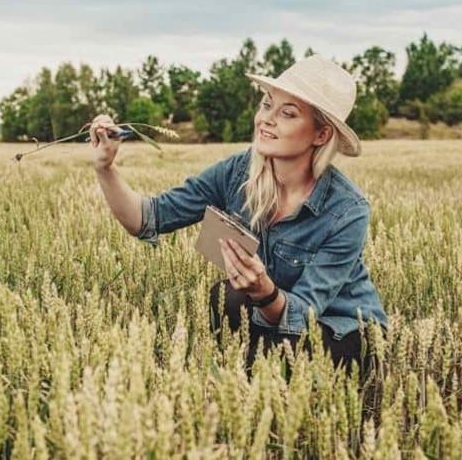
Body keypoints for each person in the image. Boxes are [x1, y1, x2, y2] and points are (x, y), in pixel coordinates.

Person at [89, 53, 389, 386]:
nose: (267, 119)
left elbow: (304, 314)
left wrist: (265, 293)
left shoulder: (347, 209)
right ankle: (253, 373)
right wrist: (105, 167)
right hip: (272, 319)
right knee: (227, 297)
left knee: (275, 354)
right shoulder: (237, 172)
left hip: (338, 329)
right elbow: (149, 218)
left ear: (321, 135)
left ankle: (262, 375)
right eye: (266, 105)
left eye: (287, 113)